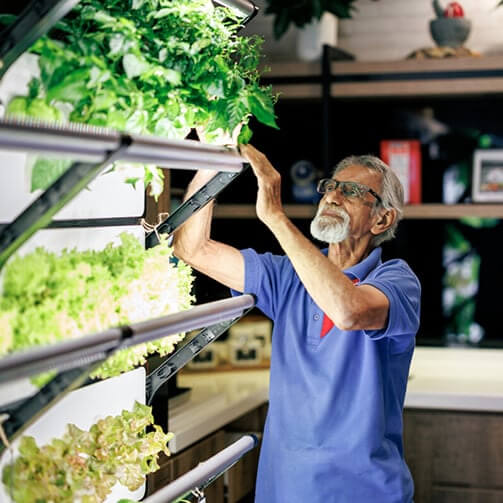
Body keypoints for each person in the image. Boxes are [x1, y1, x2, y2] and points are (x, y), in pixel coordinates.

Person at [174, 144, 421, 503]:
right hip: (285, 491)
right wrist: (213, 164)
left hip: (366, 493)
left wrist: (275, 216)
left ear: (382, 220)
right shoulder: (288, 275)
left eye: (351, 191)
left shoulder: (397, 281)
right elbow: (191, 248)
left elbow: (348, 310)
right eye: (331, 186)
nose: (333, 196)